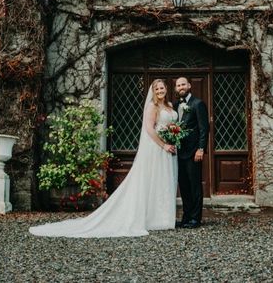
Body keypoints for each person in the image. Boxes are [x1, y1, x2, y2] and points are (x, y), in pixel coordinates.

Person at [28, 79, 178, 238]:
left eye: (162, 88)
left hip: (169, 148)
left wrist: (173, 136)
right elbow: (149, 129)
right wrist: (163, 145)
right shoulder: (152, 107)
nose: (160, 91)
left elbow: (172, 125)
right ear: (153, 91)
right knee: (151, 180)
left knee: (163, 180)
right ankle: (151, 219)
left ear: (166, 88)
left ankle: (163, 218)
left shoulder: (169, 106)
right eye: (157, 89)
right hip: (157, 148)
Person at [174, 76, 208, 228]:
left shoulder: (198, 104)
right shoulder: (175, 105)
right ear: (176, 88)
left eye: (183, 84)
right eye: (178, 85)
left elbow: (204, 129)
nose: (181, 87)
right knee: (184, 186)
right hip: (178, 153)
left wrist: (201, 149)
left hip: (193, 152)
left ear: (189, 86)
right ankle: (186, 217)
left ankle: (196, 218)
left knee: (194, 185)